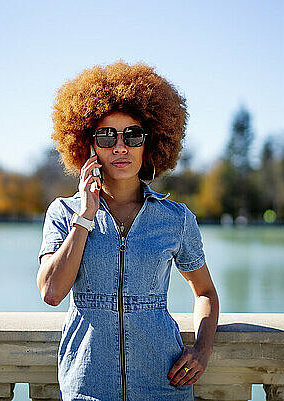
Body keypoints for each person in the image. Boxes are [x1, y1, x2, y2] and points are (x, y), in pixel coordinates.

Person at [37, 60, 219, 401]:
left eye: (132, 135)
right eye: (106, 136)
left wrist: (202, 350)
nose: (120, 147)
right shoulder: (63, 213)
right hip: (87, 387)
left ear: (149, 144)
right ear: (88, 145)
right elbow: (51, 292)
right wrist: (85, 216)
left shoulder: (176, 219)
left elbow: (205, 292)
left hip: (164, 386)